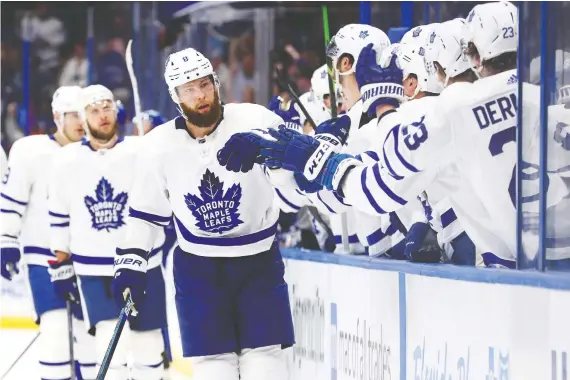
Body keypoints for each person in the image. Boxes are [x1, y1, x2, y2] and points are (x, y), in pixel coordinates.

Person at [250, 1, 570, 268]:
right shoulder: (546, 103)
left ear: (472, 55)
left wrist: (316, 158)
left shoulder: (445, 114)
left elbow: (378, 190)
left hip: (503, 288)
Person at [111, 47, 294, 380]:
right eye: (189, 89)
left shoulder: (257, 121)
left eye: (204, 84)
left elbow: (292, 190)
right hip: (198, 268)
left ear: (216, 84)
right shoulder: (157, 146)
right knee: (214, 368)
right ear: (176, 97)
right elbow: (146, 215)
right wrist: (132, 263)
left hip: (259, 262)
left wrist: (277, 152)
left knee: (266, 365)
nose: (200, 95)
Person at [48, 85, 167, 380]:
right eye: (93, 111)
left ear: (117, 110)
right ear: (83, 118)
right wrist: (61, 264)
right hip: (93, 268)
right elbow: (59, 216)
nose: (102, 116)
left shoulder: (140, 151)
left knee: (149, 346)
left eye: (107, 108)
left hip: (143, 265)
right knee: (107, 346)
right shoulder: (65, 160)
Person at [0, 86, 97, 380]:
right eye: (72, 115)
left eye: (84, 114)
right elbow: (11, 200)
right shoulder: (30, 151)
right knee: (55, 334)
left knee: (89, 338)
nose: (80, 122)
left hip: (87, 260)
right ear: (57, 117)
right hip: (44, 258)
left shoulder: (96, 154)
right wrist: (6, 241)